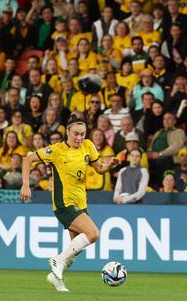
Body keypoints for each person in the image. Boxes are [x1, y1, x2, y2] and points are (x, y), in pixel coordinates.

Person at [19, 115, 119, 292]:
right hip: (64, 203)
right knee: (93, 233)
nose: (79, 138)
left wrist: (109, 165)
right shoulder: (56, 150)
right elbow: (27, 159)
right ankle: (57, 260)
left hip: (81, 203)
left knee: (73, 253)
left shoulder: (88, 145)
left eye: (82, 134)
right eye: (75, 134)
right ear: (67, 132)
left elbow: (99, 169)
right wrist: (26, 184)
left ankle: (56, 278)